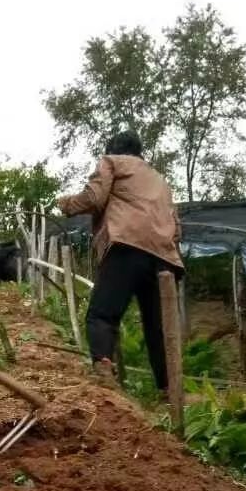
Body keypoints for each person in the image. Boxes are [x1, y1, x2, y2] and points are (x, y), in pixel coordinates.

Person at [58, 130, 183, 391]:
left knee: (102, 315)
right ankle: (170, 390)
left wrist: (67, 204)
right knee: (158, 328)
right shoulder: (160, 180)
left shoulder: (112, 162)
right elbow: (177, 227)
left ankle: (104, 371)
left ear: (114, 149)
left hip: (127, 247)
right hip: (164, 257)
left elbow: (94, 197)